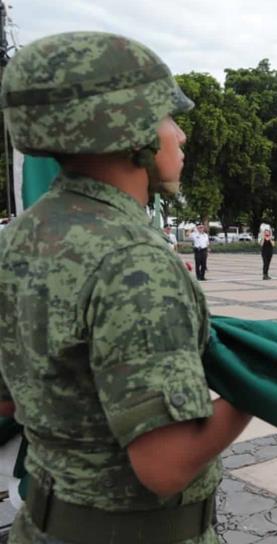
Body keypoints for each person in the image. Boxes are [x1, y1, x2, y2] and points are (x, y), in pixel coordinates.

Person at [0, 31, 252, 542]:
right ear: (128, 128)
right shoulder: (133, 262)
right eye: (166, 117)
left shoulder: (19, 238)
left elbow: (7, 401)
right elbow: (165, 465)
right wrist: (260, 388)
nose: (179, 135)